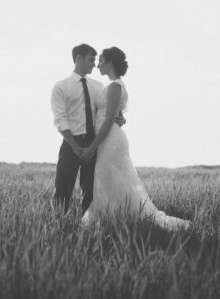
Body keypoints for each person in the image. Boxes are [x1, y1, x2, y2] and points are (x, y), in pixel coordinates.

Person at [79, 47, 190, 231]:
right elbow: (117, 116)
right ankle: (112, 219)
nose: (98, 65)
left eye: (101, 61)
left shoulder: (115, 86)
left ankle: (114, 219)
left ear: (109, 63)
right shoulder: (115, 85)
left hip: (110, 140)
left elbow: (108, 121)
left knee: (106, 178)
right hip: (109, 138)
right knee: (110, 180)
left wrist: (92, 147)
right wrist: (120, 118)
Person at [50, 44, 124, 215]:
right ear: (78, 58)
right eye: (91, 60)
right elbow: (60, 120)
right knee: (62, 188)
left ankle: (87, 228)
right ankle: (58, 227)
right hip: (71, 144)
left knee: (91, 190)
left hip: (94, 143)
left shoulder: (98, 86)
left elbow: (106, 112)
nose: (94, 64)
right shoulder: (61, 86)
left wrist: (120, 118)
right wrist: (75, 147)